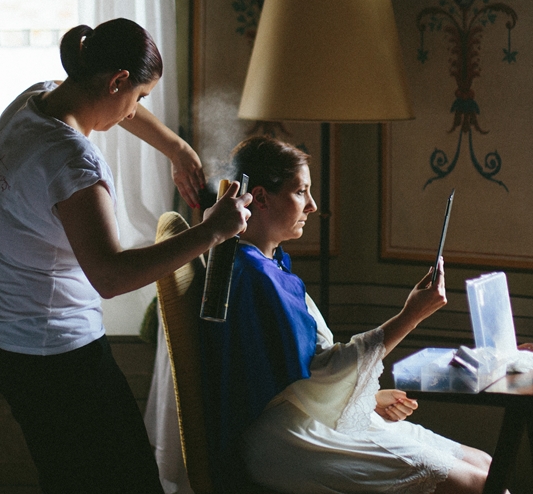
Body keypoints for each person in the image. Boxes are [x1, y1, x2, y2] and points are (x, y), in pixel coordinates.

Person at [0, 19, 251, 494]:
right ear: (117, 79)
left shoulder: (35, 100)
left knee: (69, 475)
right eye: (138, 96)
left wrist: (176, 149)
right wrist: (213, 231)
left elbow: (114, 109)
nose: (134, 110)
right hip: (51, 357)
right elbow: (110, 276)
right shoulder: (72, 163)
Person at [201, 136, 495, 494]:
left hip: (308, 415)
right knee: (475, 483)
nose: (312, 206)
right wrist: (410, 316)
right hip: (288, 437)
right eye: (300, 192)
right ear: (260, 198)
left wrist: (367, 398)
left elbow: (299, 371)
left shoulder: (269, 266)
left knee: (485, 464)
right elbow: (315, 372)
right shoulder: (256, 278)